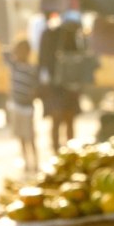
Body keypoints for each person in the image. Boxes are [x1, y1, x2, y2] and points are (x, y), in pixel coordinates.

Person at [37, 8, 86, 150]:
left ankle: (66, 152)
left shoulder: (52, 34)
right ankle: (61, 152)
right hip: (59, 85)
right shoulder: (52, 34)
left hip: (63, 85)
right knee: (61, 119)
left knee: (63, 120)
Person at [5, 37, 39, 174]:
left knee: (30, 137)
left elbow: (36, 87)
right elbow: (4, 53)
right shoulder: (15, 66)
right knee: (21, 137)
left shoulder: (31, 69)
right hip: (16, 106)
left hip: (27, 107)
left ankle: (36, 162)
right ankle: (26, 162)